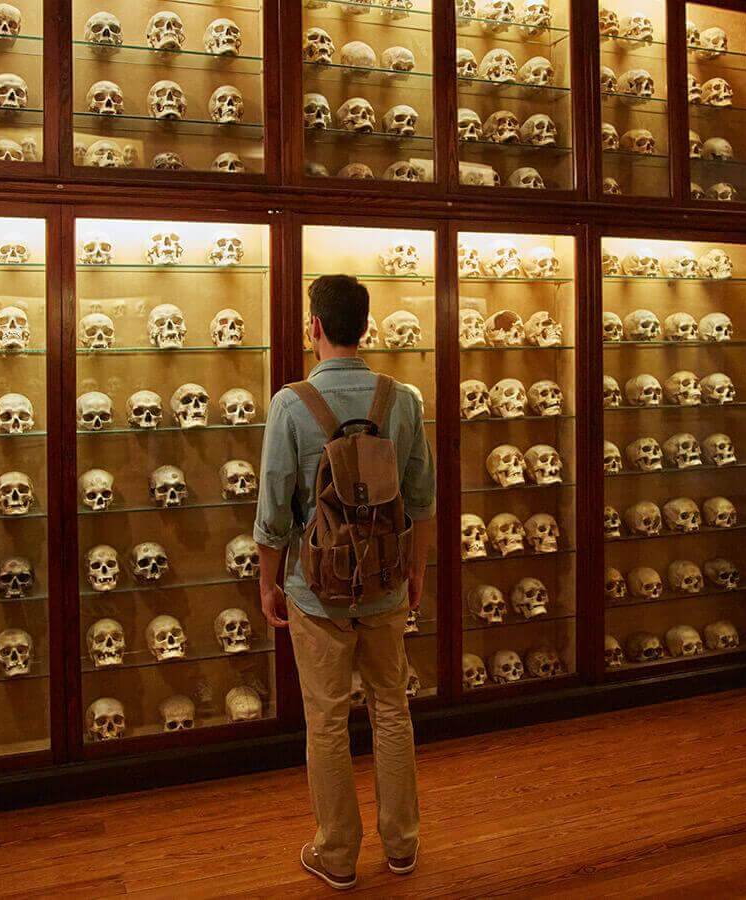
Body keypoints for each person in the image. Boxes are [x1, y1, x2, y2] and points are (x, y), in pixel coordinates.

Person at [254, 274, 436, 890]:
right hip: (386, 582)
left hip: (316, 588)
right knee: (392, 708)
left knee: (326, 720)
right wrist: (415, 573)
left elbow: (274, 509)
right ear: (365, 325)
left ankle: (336, 855)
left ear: (315, 327)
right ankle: (403, 845)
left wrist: (268, 581)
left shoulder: (290, 403)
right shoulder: (401, 399)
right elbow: (423, 500)